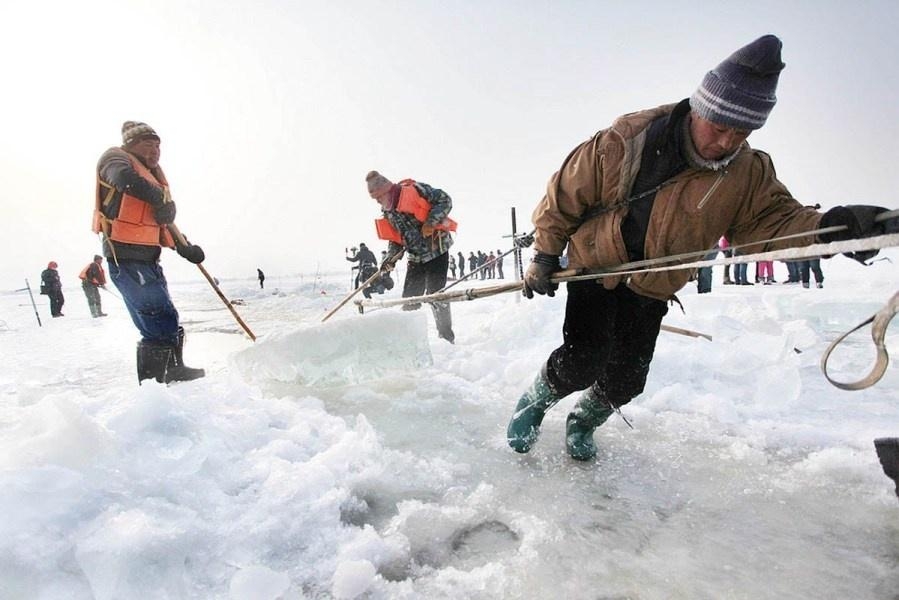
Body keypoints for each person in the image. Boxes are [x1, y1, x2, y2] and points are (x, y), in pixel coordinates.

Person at [507, 35, 896, 461]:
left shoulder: (747, 172)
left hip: (653, 286)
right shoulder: (627, 140)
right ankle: (535, 402)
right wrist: (545, 255)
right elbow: (564, 196)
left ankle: (583, 420)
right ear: (700, 109)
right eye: (720, 127)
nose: (727, 142)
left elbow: (773, 224)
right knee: (582, 359)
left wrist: (832, 228)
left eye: (742, 131)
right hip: (597, 270)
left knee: (626, 380)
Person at [94, 121, 206, 384]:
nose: (155, 150)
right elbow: (123, 179)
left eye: (158, 146)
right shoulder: (116, 159)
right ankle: (155, 385)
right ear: (131, 145)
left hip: (148, 259)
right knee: (155, 317)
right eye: (148, 144)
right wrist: (158, 197)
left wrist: (185, 248)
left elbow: (163, 225)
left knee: (166, 316)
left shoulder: (152, 176)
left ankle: (173, 370)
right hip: (126, 257)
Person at [366, 170, 457, 343]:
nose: (377, 201)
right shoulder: (388, 213)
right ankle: (409, 342)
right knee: (409, 300)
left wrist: (431, 222)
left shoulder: (415, 189)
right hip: (415, 257)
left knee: (435, 295)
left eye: (378, 197)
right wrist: (390, 260)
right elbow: (396, 240)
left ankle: (446, 338)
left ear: (386, 191)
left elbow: (445, 200)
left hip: (437, 250)